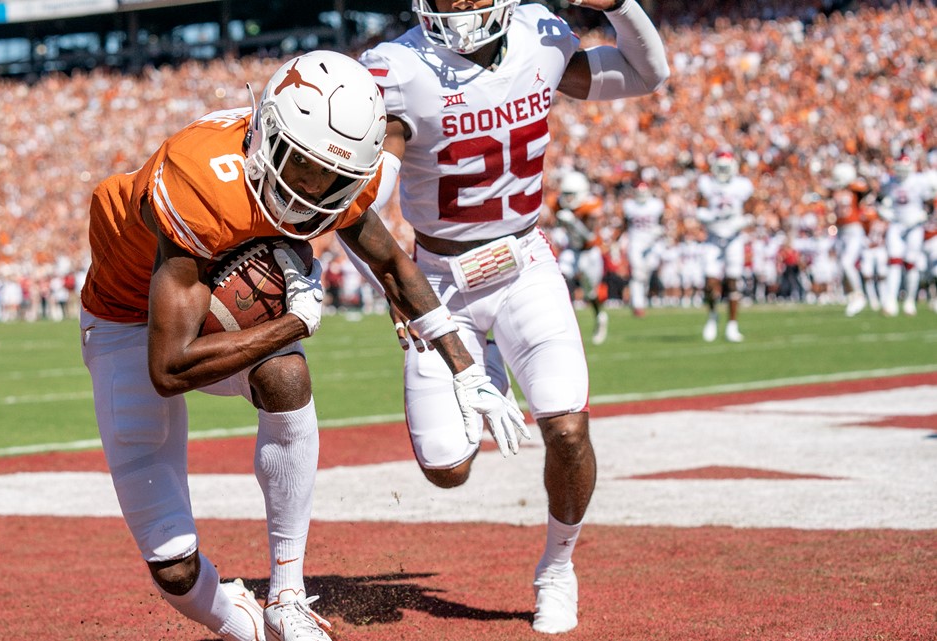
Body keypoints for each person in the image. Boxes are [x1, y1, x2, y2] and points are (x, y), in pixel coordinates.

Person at [79, 51, 524, 641]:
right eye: (302, 168)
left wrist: (466, 371)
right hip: (126, 320)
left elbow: (392, 265)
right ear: (267, 133)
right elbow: (169, 366)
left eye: (331, 179)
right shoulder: (200, 181)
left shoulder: (334, 178)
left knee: (286, 377)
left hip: (202, 308)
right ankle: (247, 627)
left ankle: (287, 596)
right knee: (175, 567)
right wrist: (294, 323)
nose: (311, 192)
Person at [356, 0, 669, 633]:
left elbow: (645, 75)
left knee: (569, 429)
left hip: (524, 262)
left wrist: (621, 8)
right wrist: (393, 286)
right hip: (438, 279)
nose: (461, 6)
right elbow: (360, 206)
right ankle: (481, 360)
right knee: (447, 469)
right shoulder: (397, 68)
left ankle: (557, 567)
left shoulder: (538, 34)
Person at [545, 170, 610, 344]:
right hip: (571, 250)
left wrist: (573, 221)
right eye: (565, 194)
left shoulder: (591, 205)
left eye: (571, 195)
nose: (567, 198)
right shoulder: (558, 204)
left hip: (590, 252)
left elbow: (589, 236)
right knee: (561, 277)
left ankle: (600, 316)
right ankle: (563, 320)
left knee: (590, 292)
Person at [696, 149, 754, 342]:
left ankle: (732, 325)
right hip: (713, 236)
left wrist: (742, 221)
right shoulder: (706, 183)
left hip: (734, 238)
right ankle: (712, 315)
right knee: (710, 282)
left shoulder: (742, 185)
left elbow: (751, 210)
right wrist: (710, 217)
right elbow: (700, 209)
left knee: (732, 281)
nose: (722, 171)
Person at [877, 153, 935, 316]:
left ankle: (910, 300)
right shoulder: (889, 181)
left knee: (910, 263)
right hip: (896, 224)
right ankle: (891, 301)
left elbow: (931, 202)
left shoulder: (920, 181)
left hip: (914, 226)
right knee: (894, 261)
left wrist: (925, 215)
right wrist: (884, 211)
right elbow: (881, 200)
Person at [823, 161, 875, 316]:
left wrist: (860, 175)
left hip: (854, 229)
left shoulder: (854, 189)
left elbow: (869, 189)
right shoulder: (835, 190)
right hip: (841, 231)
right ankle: (853, 295)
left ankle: (859, 296)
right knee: (841, 266)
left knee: (847, 263)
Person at [620, 181, 666, 317]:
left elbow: (661, 221)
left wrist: (660, 231)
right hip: (636, 242)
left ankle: (641, 301)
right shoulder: (629, 205)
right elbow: (625, 223)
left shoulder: (656, 205)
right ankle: (638, 305)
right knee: (637, 273)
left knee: (646, 273)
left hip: (652, 243)